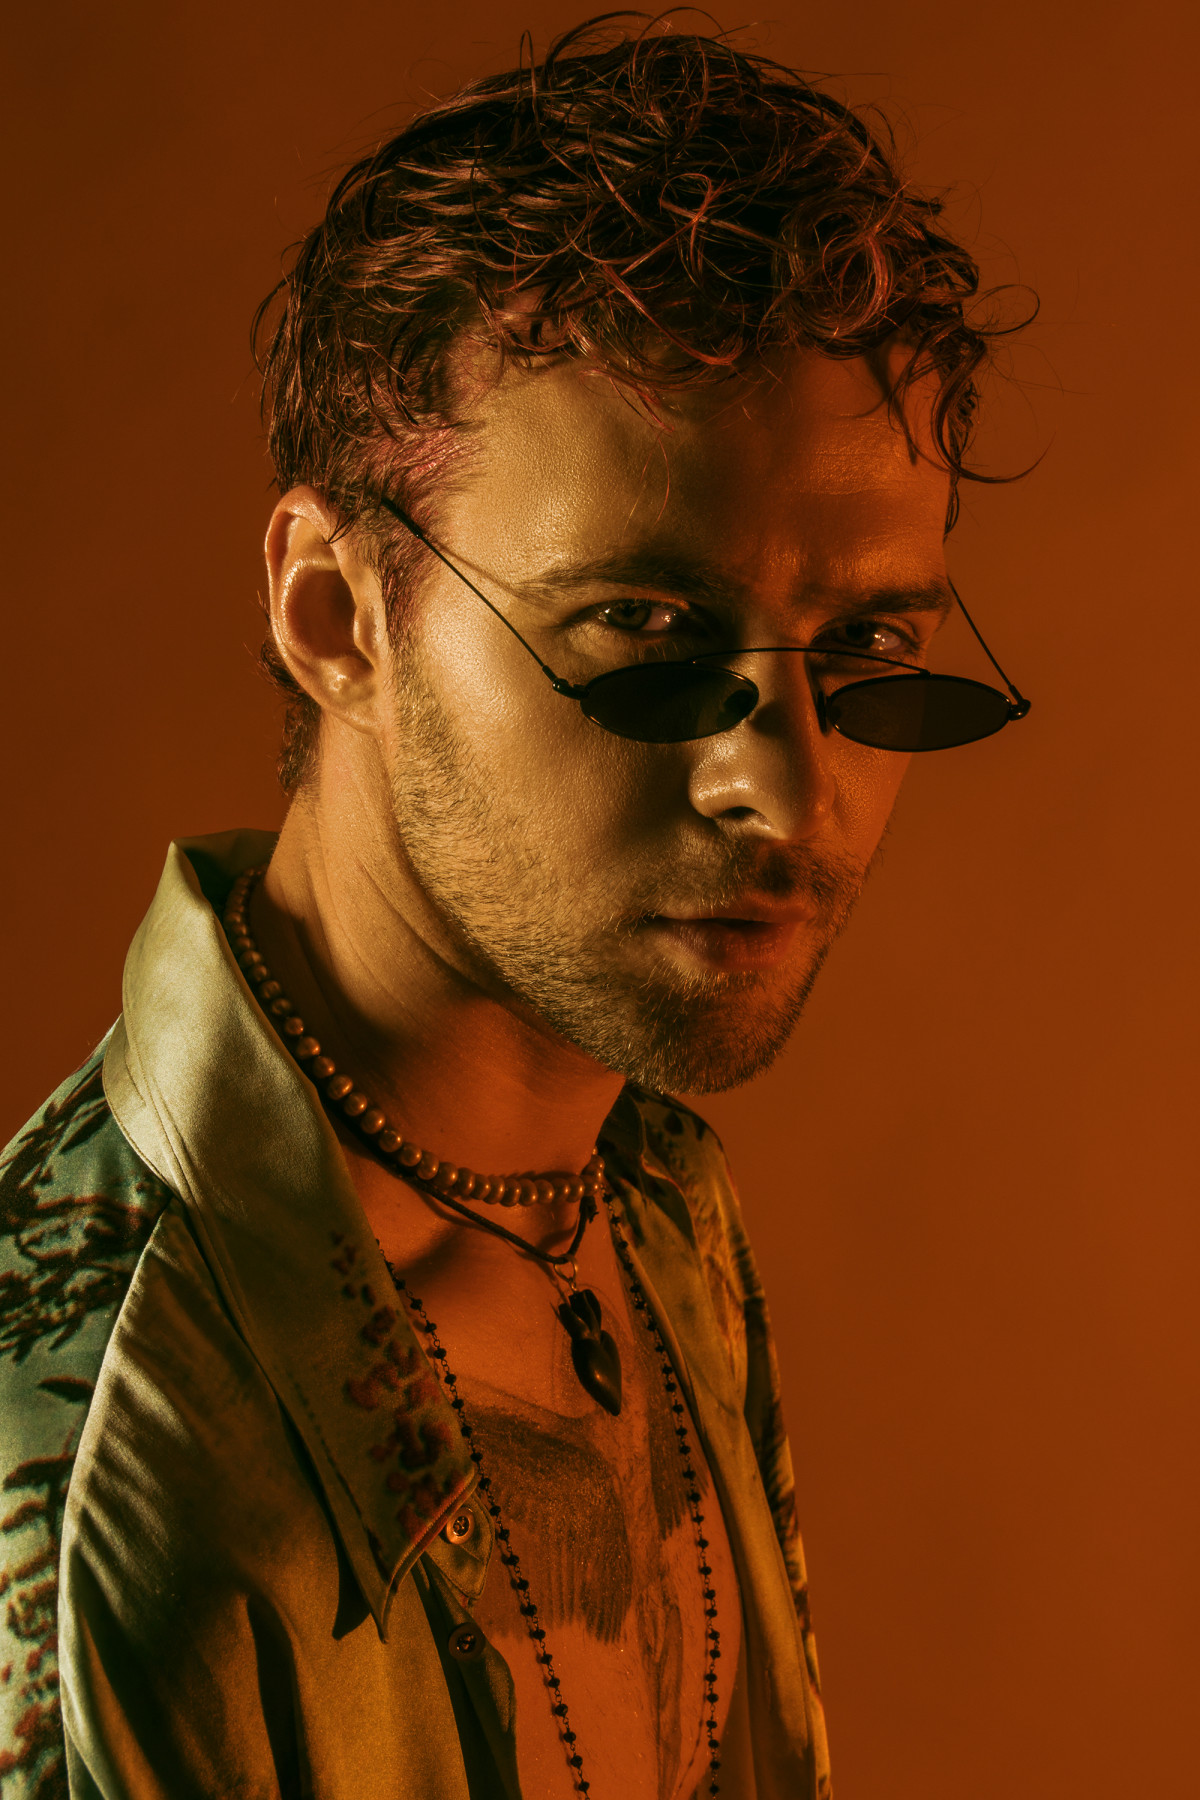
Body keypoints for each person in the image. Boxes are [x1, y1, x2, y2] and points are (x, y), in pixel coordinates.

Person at [0, 18, 1031, 1800]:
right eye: (646, 630)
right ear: (337, 617)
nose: (787, 790)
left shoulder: (648, 1201)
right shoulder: (96, 1456)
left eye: (867, 646)